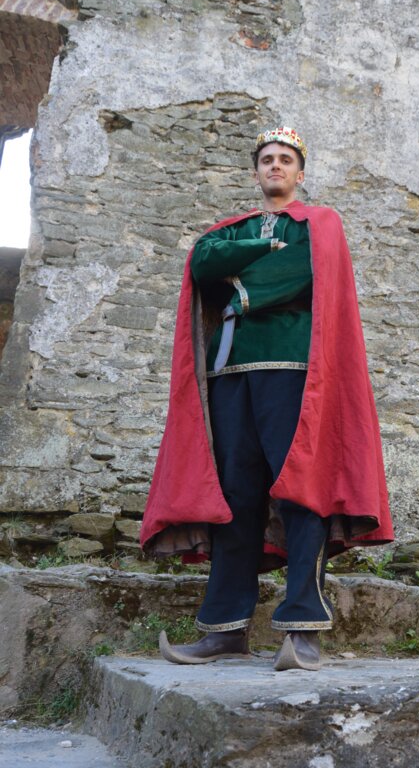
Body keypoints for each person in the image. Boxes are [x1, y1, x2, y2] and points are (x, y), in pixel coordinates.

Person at [140, 127, 393, 671]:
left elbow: (301, 273)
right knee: (234, 496)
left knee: (302, 491)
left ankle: (303, 630)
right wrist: (259, 248)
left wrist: (239, 281)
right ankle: (225, 631)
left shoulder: (319, 225)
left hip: (294, 371)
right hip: (230, 372)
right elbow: (202, 262)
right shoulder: (232, 229)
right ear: (256, 172)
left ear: (300, 172)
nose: (275, 166)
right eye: (266, 159)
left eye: (285, 159)